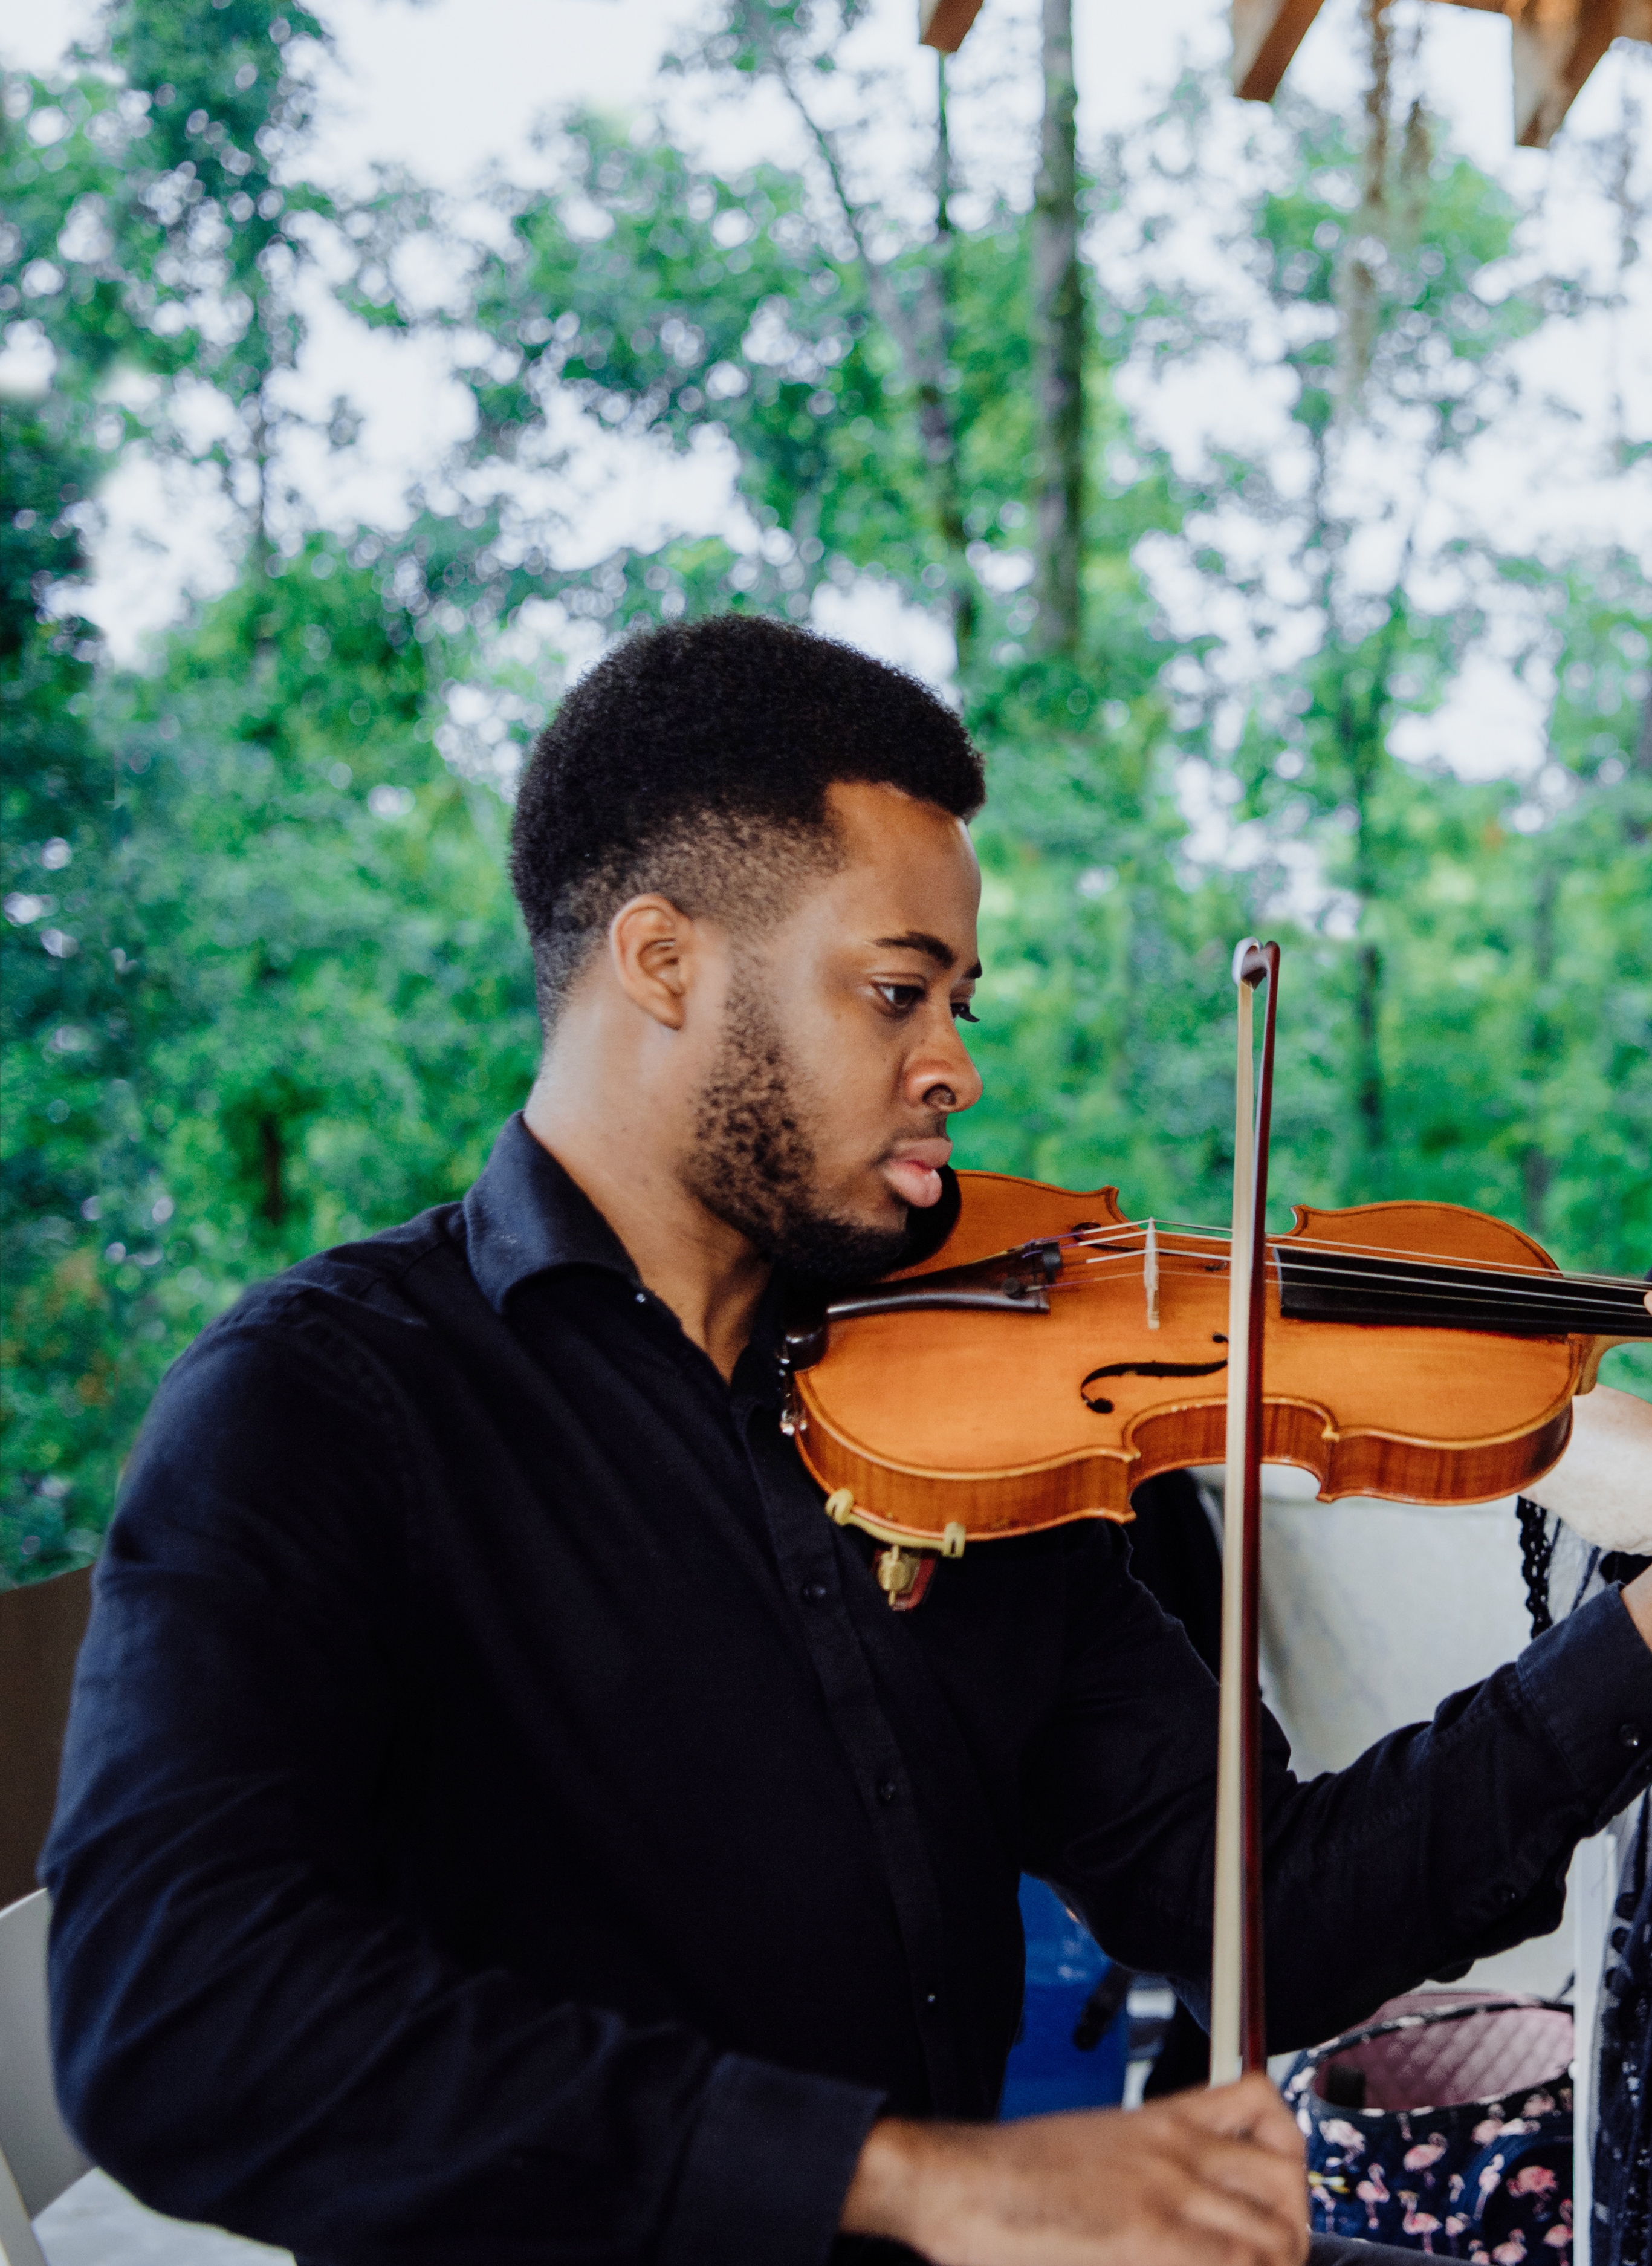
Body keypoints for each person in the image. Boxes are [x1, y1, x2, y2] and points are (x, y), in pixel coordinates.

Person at [43, 614, 1652, 2266]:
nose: (953, 1066)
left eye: (958, 1003)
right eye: (897, 993)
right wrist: (902, 2177)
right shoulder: (320, 1398)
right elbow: (176, 2012)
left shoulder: (971, 1415)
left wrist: (1639, 1638)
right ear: (662, 961)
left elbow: (1277, 1914)